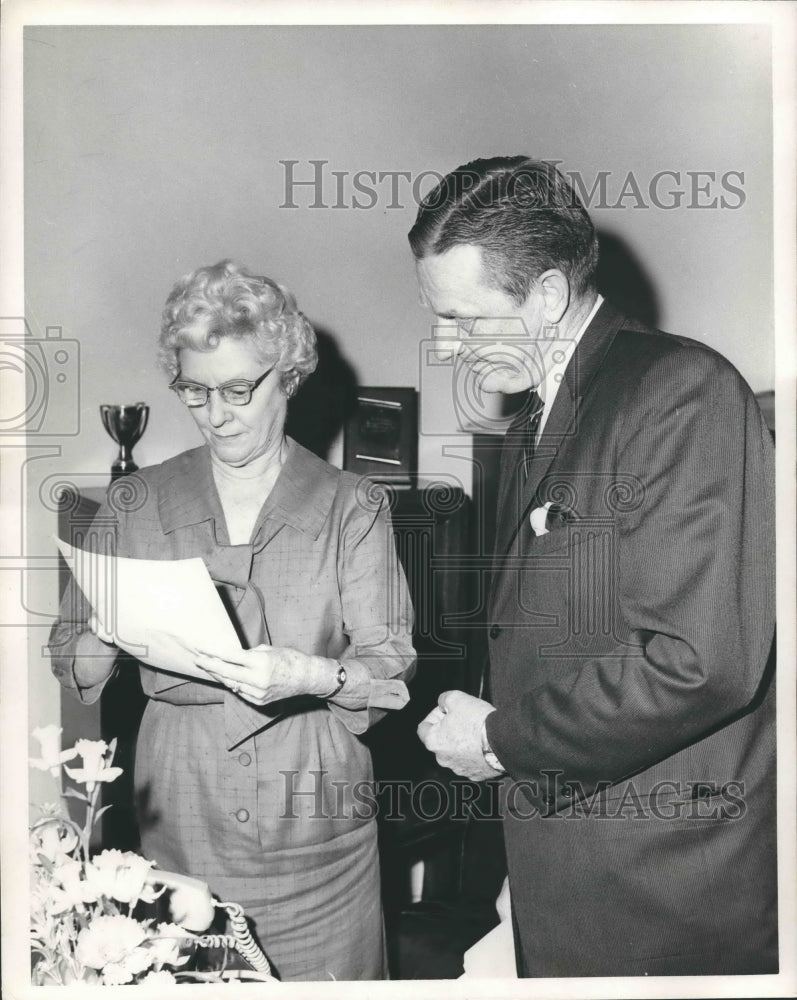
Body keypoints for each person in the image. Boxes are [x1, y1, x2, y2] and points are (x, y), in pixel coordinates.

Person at [413, 157, 776, 976]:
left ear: (544, 296)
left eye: (465, 320)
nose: (444, 346)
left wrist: (501, 739)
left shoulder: (679, 390)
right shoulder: (530, 425)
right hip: (568, 860)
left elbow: (699, 662)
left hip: (661, 890)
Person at [49, 259, 416, 981]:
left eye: (238, 390)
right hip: (179, 823)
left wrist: (311, 672)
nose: (215, 413)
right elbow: (69, 655)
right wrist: (110, 632)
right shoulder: (136, 502)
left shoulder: (352, 507)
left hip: (315, 829)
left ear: (289, 376)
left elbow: (392, 670)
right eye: (194, 390)